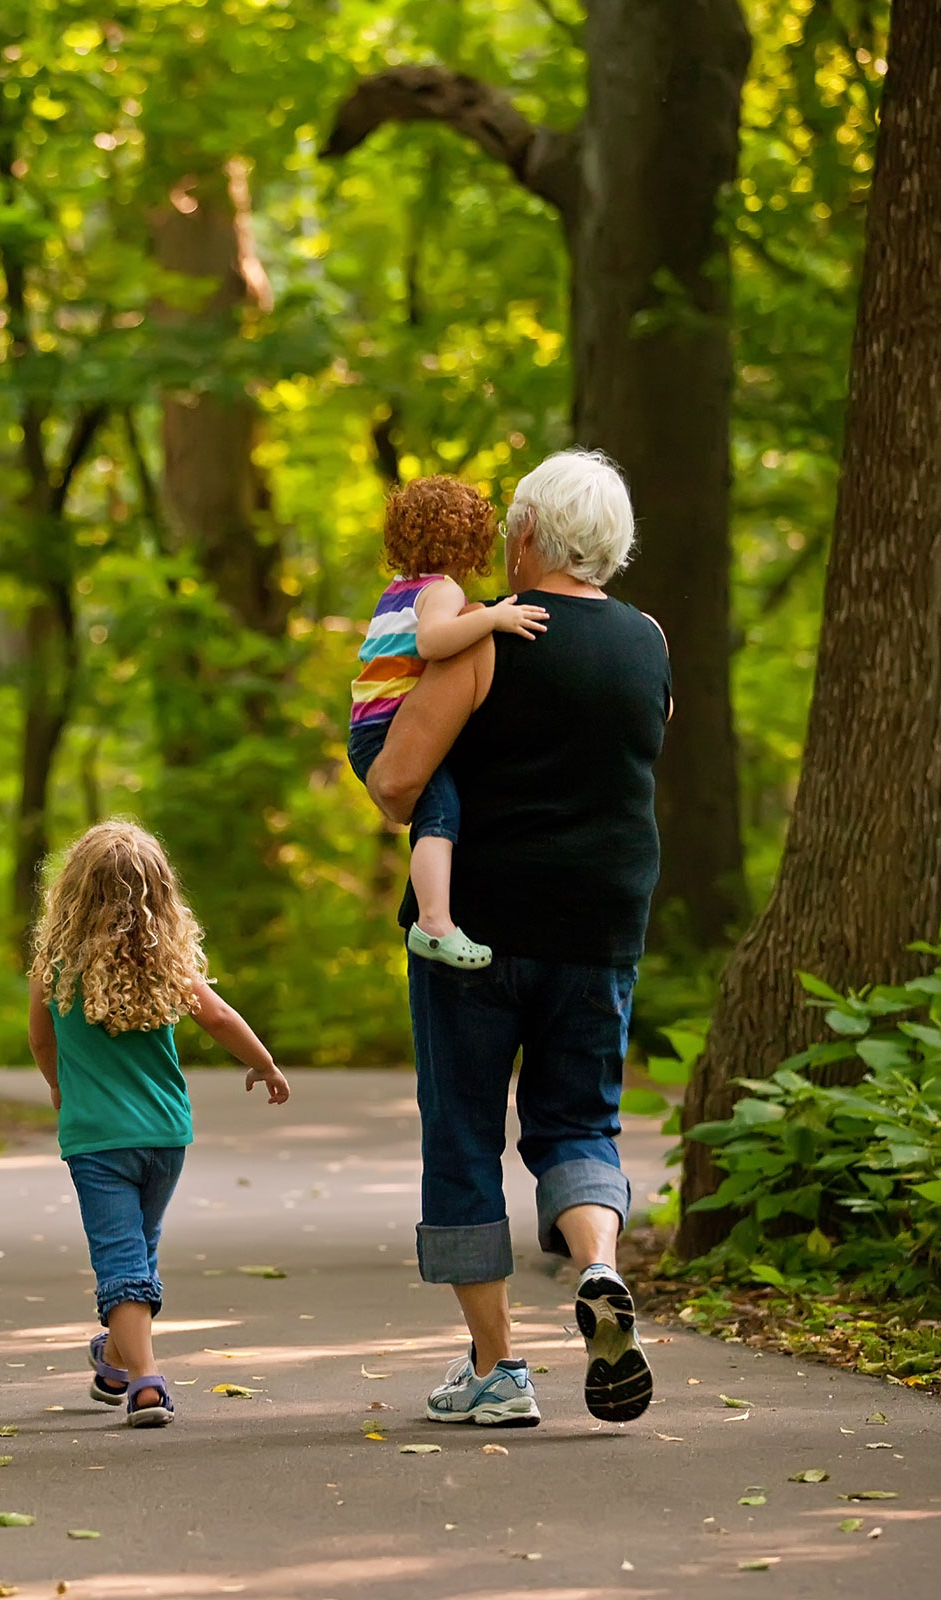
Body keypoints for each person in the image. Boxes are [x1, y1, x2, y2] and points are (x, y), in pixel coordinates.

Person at [364, 449, 668, 1429]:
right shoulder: (651, 642)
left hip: (477, 934)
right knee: (578, 1125)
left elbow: (395, 784)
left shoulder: (484, 642)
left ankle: (500, 1369)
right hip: (599, 928)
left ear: (528, 534)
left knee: (462, 1140)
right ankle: (600, 1266)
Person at [25, 820, 291, 1428]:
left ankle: (145, 1382)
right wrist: (265, 1065)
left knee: (121, 1259)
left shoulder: (56, 967)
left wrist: (60, 1086)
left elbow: (41, 1040)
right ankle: (116, 1359)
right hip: (166, 1136)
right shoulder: (165, 962)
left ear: (73, 891)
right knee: (137, 1253)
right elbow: (220, 1018)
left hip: (97, 1141)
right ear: (160, 895)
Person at [347, 476, 552, 971]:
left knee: (436, 813)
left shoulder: (397, 591)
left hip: (367, 732)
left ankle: (436, 918)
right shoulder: (441, 591)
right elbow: (433, 643)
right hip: (388, 732)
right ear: (469, 542)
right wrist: (493, 619)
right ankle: (435, 923)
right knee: (440, 817)